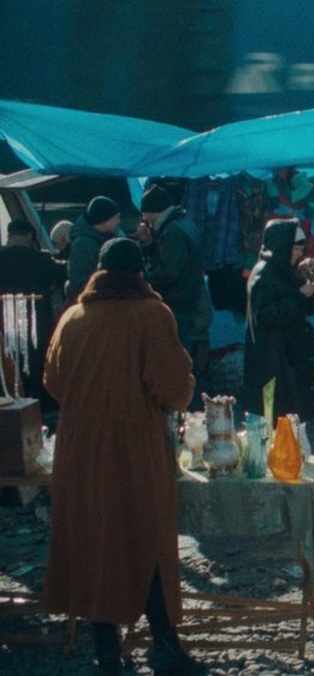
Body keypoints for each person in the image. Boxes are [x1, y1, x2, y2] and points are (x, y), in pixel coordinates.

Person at [42, 238, 200, 675]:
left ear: (98, 270)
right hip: (133, 448)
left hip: (78, 449)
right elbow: (174, 388)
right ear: (140, 273)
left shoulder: (73, 317)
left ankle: (106, 649)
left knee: (96, 542)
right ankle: (165, 643)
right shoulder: (152, 314)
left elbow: (54, 382)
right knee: (145, 539)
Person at [243, 218, 314, 422]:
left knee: (294, 418)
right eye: (295, 248)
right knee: (281, 419)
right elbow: (268, 315)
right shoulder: (263, 275)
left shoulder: (282, 270)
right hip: (274, 358)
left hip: (289, 355)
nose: (299, 254)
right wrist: (300, 294)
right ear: (282, 246)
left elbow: (300, 307)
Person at [136, 184, 209, 359]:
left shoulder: (173, 231)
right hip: (189, 299)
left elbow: (169, 272)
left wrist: (143, 278)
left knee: (176, 354)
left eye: (145, 216)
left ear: (153, 211)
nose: (145, 221)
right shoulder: (183, 223)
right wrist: (149, 245)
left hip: (177, 303)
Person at [0, 218, 66, 408]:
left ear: (9, 236)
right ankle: (40, 407)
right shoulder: (43, 260)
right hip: (37, 324)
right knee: (36, 367)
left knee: (7, 367)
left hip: (3, 325)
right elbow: (64, 272)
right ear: (30, 236)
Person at [66, 195, 121, 304]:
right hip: (90, 304)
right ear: (104, 219)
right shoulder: (83, 245)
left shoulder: (106, 238)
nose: (119, 221)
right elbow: (79, 282)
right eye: (116, 217)